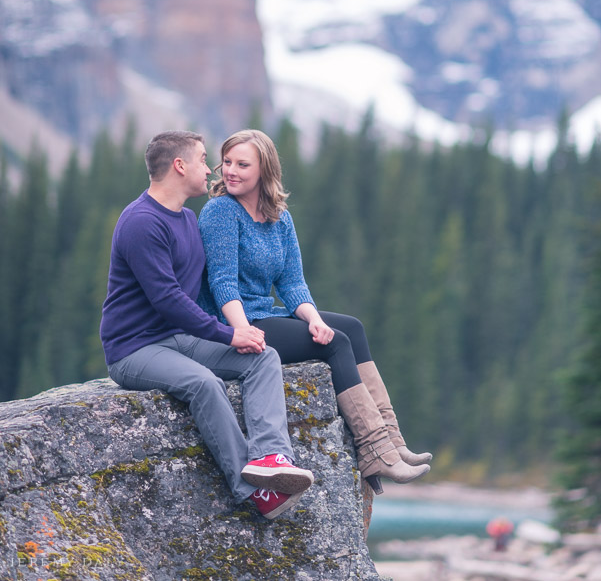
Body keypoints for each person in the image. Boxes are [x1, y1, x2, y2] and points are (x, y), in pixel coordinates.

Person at [198, 129, 432, 495]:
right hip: (233, 321)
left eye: (242, 164)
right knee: (334, 345)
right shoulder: (220, 212)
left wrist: (314, 318)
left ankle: (391, 440)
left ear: (264, 169)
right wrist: (241, 332)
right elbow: (222, 282)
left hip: (266, 313)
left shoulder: (278, 217)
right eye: (227, 162)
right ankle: (373, 450)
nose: (230, 171)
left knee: (349, 328)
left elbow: (292, 284)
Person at [100, 130, 313, 520]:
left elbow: (206, 285)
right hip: (133, 348)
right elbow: (167, 300)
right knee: (204, 384)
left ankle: (269, 456)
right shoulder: (141, 222)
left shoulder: (184, 218)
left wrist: (244, 331)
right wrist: (229, 332)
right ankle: (254, 494)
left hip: (177, 338)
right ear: (180, 166)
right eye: (203, 159)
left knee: (263, 358)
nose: (211, 168)